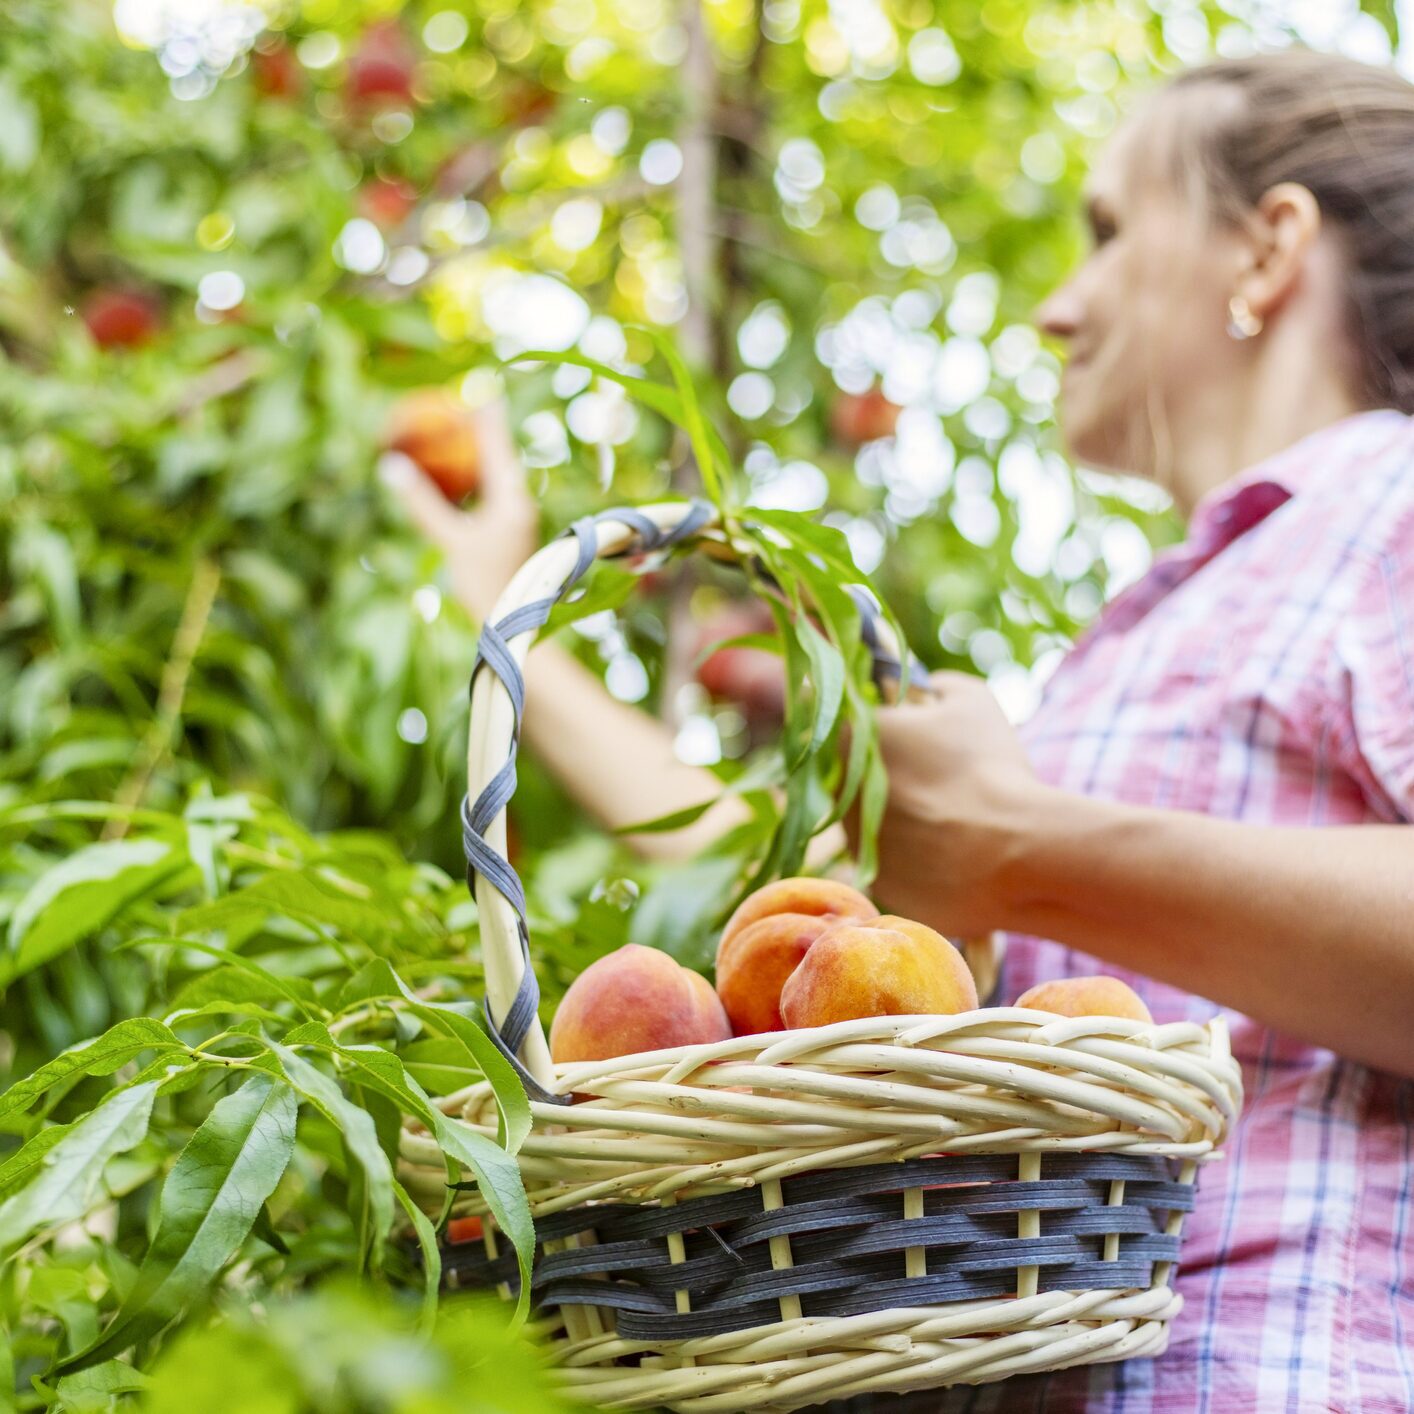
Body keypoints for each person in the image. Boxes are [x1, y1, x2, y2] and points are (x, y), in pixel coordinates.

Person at [385, 49, 1414, 1414]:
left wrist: (1021, 846)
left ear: (1269, 244)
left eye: (1107, 233)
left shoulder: (1387, 506)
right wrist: (496, 613)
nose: (1056, 307)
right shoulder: (1146, 637)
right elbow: (781, 905)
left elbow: (1002, 855)